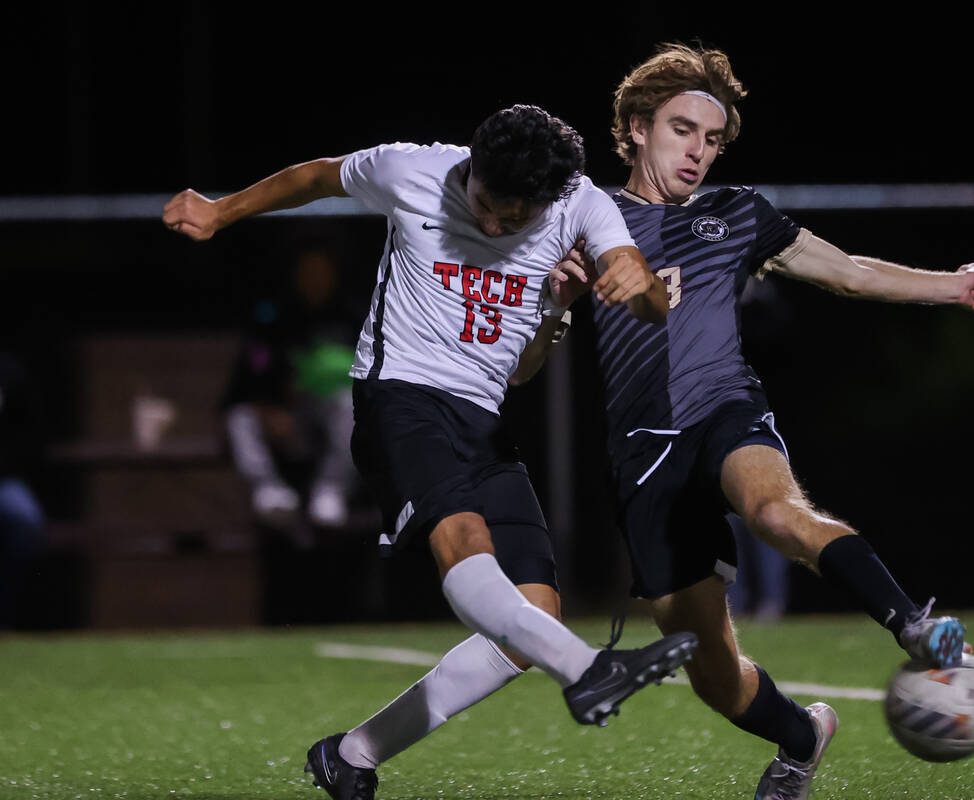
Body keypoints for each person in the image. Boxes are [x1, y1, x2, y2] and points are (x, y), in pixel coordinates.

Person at [163, 104, 696, 800]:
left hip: (482, 417)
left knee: (530, 616)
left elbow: (642, 297)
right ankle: (591, 671)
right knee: (464, 540)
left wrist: (636, 290)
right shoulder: (413, 169)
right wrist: (220, 210)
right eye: (486, 204)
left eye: (516, 217)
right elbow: (316, 177)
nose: (496, 225)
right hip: (399, 397)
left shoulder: (581, 205)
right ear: (470, 167)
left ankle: (352, 754)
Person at [555, 43, 974, 800]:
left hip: (724, 409)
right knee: (716, 679)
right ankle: (802, 738)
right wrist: (553, 305)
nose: (699, 151)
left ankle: (913, 623)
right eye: (682, 130)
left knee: (778, 514)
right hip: (641, 462)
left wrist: (946, 287)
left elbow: (850, 270)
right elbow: (529, 348)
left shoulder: (736, 213)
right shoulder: (584, 217)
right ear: (633, 129)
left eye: (712, 139)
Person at [221, 241, 360, 530]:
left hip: (326, 422)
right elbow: (245, 381)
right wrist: (268, 408)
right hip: (282, 423)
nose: (315, 280)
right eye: (308, 272)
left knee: (349, 405)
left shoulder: (352, 317)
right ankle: (267, 488)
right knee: (240, 417)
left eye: (322, 272)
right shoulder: (272, 318)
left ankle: (331, 490)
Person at [0, 351, 45, 629]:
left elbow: (33, 432)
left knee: (27, 520)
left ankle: (4, 617)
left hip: (3, 479)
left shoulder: (10, 373)